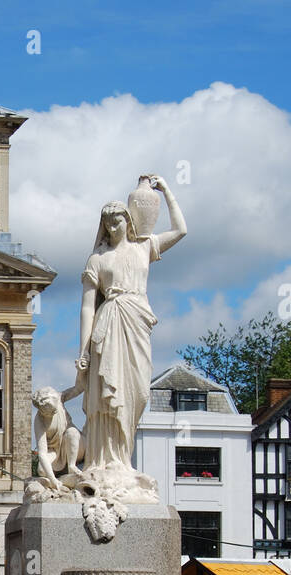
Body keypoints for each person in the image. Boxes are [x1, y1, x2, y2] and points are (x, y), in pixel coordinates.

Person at [75, 177, 186, 474]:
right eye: (108, 224)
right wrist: (83, 350)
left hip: (137, 321)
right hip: (109, 323)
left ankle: (123, 458)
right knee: (106, 393)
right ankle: (104, 460)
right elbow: (87, 306)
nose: (113, 228)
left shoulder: (144, 247)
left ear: (128, 220)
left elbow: (181, 230)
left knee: (138, 392)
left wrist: (167, 191)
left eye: (118, 222)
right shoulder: (97, 259)